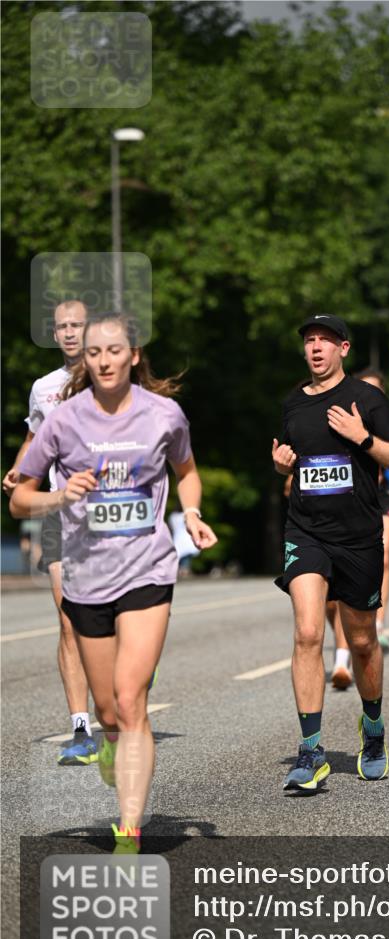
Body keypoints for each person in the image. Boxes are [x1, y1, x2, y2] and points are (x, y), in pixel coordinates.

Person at [11, 313, 217, 852]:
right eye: (95, 353)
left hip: (148, 568)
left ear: (133, 355)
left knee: (130, 701)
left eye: (113, 351)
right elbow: (19, 497)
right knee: (107, 712)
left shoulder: (163, 415)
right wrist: (58, 497)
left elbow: (186, 470)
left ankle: (129, 830)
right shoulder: (63, 420)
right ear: (86, 359)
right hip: (86, 576)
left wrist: (191, 514)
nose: (103, 360)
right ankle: (108, 742)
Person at [272, 314, 389, 793]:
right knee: (308, 631)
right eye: (309, 340)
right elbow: (293, 461)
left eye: (325, 342)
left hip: (358, 537)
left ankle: (372, 731)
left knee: (362, 641)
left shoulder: (369, 401)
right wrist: (280, 464)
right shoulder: (292, 403)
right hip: (306, 531)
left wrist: (364, 438)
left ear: (343, 349)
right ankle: (311, 750)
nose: (315, 348)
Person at [2, 300, 96, 765]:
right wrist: (21, 471)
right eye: (61, 326)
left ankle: (137, 664)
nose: (69, 332)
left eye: (77, 324)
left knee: (116, 618)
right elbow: (35, 437)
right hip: (62, 512)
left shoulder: (113, 377)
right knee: (68, 620)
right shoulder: (44, 388)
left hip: (112, 513)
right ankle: (81, 727)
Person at [356, 368, 389, 651]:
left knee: (382, 557)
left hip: (384, 495)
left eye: (375, 390)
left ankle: (379, 622)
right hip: (354, 495)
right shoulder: (342, 419)